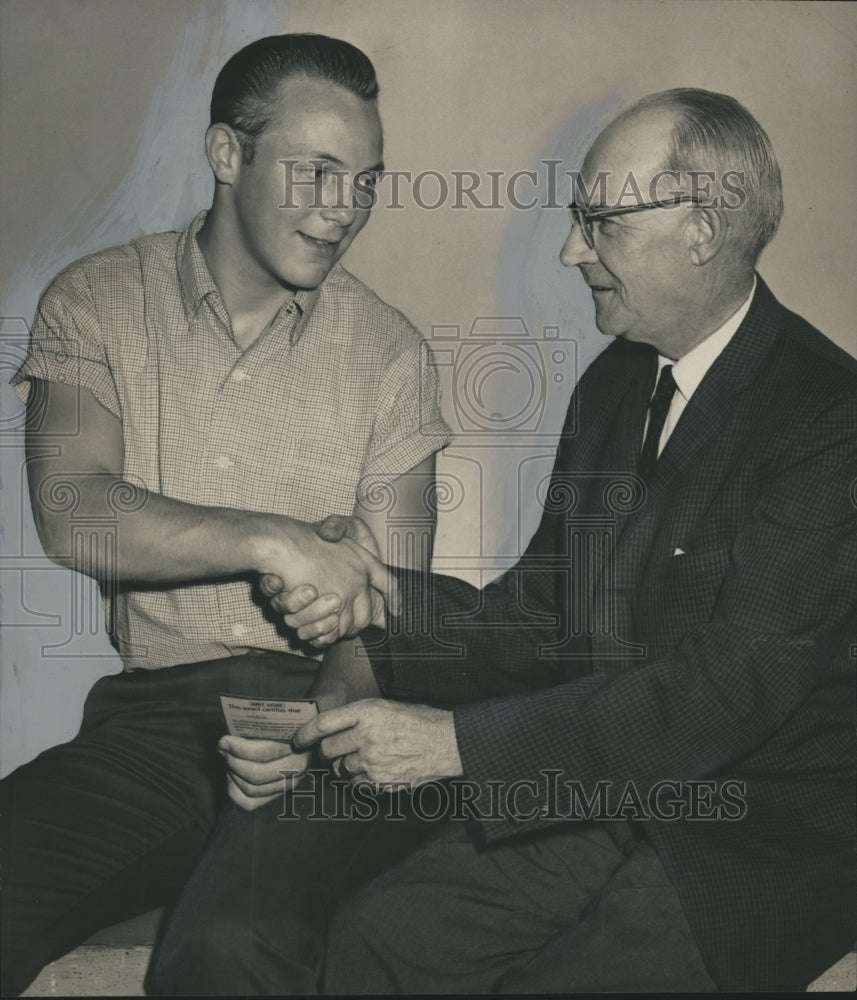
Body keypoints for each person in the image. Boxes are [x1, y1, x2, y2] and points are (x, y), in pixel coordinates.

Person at [270, 89, 856, 992]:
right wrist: (379, 591)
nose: (570, 249)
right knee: (380, 942)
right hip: (604, 786)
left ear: (701, 227)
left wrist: (456, 746)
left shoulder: (830, 418)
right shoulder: (615, 385)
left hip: (756, 832)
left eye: (599, 221)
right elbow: (544, 611)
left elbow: (728, 689)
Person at [0, 33, 452, 998]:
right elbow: (73, 511)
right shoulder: (97, 302)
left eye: (365, 182)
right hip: (154, 726)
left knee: (227, 949)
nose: (344, 213)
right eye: (318, 174)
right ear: (226, 154)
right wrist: (274, 537)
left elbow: (391, 617)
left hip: (330, 732)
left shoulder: (392, 356)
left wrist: (321, 719)